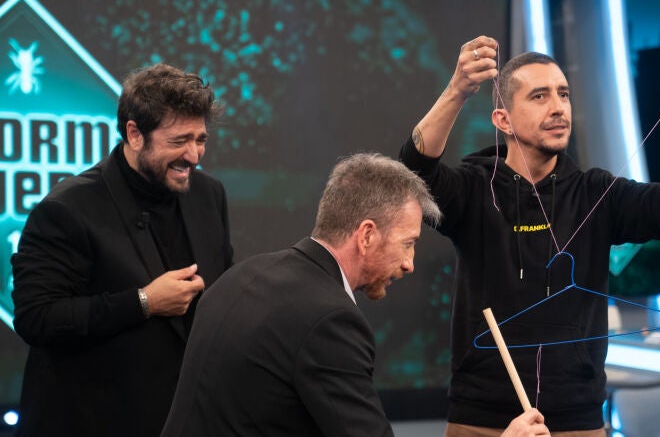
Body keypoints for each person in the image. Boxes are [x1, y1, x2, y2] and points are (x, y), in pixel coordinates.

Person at [399, 36, 660, 436]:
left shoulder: (597, 194)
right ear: (503, 120)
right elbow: (413, 172)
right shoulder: (472, 190)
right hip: (479, 418)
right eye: (539, 96)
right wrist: (458, 90)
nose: (558, 107)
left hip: (578, 419)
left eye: (564, 94)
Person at [160, 153, 551, 437]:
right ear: (366, 235)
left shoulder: (243, 274)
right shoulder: (329, 319)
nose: (410, 264)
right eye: (408, 243)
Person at [11, 63, 234, 437]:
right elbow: (37, 317)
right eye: (179, 141)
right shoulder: (66, 209)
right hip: (91, 422)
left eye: (201, 139)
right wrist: (144, 301)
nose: (194, 155)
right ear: (134, 134)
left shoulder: (208, 195)